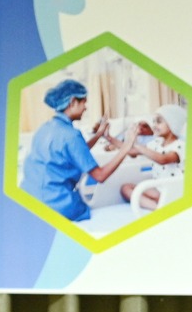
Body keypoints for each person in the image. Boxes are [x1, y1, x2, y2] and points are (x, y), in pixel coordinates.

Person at [18, 78, 131, 221]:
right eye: (84, 102)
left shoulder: (45, 128)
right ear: (72, 102)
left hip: (28, 198)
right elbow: (100, 176)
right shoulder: (71, 135)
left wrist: (98, 135)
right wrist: (127, 146)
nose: (85, 108)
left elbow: (76, 153)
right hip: (55, 203)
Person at [119, 101, 187, 210]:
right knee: (125, 188)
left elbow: (162, 159)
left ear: (172, 124)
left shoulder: (180, 146)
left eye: (159, 122)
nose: (154, 125)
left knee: (139, 191)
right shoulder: (156, 143)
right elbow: (131, 152)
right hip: (159, 188)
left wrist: (136, 144)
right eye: (153, 122)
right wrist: (109, 138)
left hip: (174, 190)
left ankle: (160, 208)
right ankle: (157, 208)